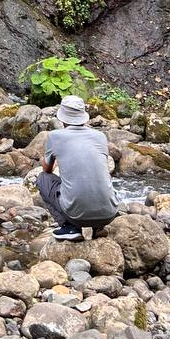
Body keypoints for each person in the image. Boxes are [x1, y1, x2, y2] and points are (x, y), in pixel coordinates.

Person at [37, 94, 118, 242]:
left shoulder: (55, 137)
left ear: (62, 117)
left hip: (76, 216)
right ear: (83, 116)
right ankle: (98, 228)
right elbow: (97, 169)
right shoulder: (100, 136)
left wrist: (49, 159)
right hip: (109, 213)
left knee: (43, 179)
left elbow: (47, 170)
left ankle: (69, 227)